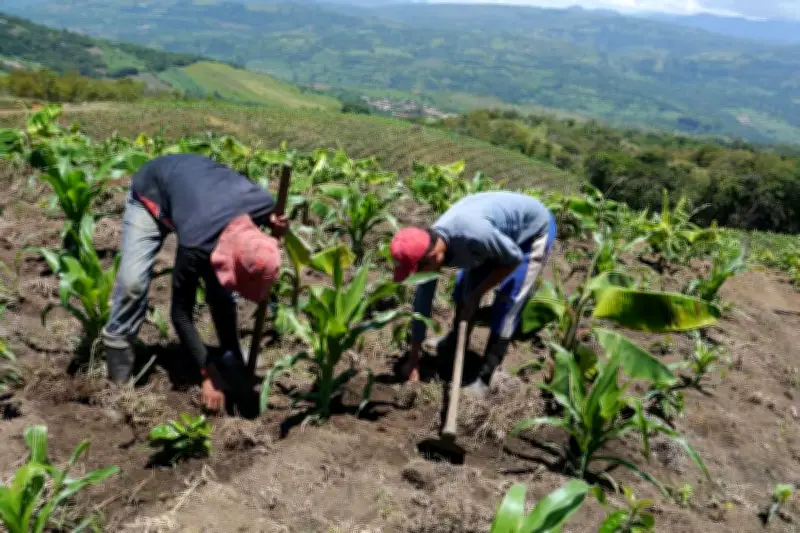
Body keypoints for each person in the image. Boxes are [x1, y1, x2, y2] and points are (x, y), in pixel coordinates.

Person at [101, 153, 288, 412]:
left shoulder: (264, 203)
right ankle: (118, 377)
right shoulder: (196, 243)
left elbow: (266, 220)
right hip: (153, 193)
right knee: (132, 284)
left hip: (198, 196)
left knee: (221, 292)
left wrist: (273, 221)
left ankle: (231, 357)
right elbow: (180, 313)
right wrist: (208, 373)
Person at [390, 191, 556, 398]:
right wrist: (413, 358)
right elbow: (422, 302)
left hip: (531, 233)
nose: (418, 276)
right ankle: (454, 340)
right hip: (495, 232)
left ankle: (486, 375)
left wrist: (479, 293)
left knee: (508, 301)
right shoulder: (429, 246)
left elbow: (512, 258)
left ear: (433, 257)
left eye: (418, 271)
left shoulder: (472, 235)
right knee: (463, 289)